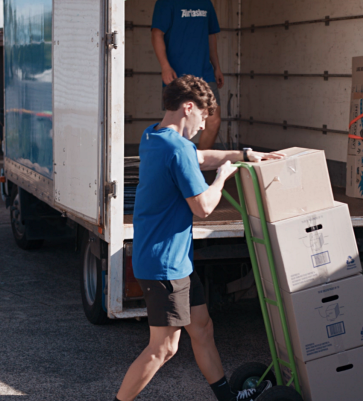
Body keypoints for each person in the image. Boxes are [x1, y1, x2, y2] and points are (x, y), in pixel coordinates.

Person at [115, 76, 284, 401]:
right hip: (164, 264)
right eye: (204, 117)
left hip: (174, 259)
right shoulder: (176, 148)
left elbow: (198, 157)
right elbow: (204, 206)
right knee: (163, 348)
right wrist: (222, 177)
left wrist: (243, 154)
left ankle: (227, 397)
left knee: (202, 328)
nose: (204, 125)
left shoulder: (154, 135)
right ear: (188, 107)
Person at [152, 0, 224, 151]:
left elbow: (211, 36)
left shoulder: (205, 2)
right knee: (178, 124)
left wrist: (217, 67)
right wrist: (165, 66)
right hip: (178, 73)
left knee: (213, 120)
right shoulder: (167, 1)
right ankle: (176, 166)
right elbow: (156, 34)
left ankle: (198, 163)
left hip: (205, 72)